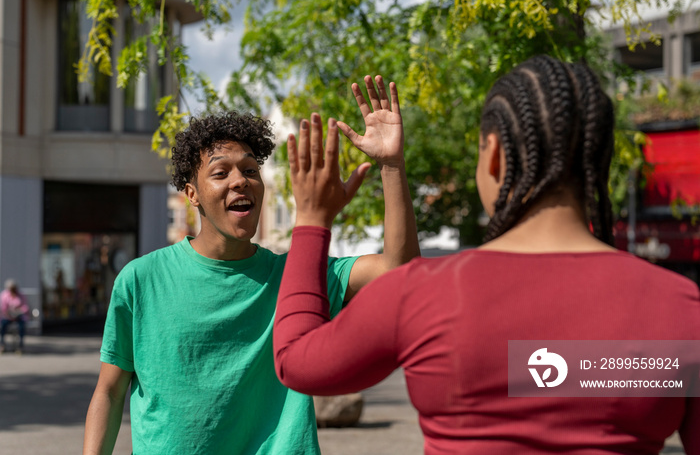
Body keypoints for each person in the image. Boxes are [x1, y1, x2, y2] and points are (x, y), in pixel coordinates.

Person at [274, 55, 700, 454]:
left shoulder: (423, 294)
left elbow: (297, 361)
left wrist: (312, 220)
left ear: (493, 155)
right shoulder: (682, 309)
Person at [83, 75, 420, 455]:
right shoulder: (141, 279)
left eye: (250, 170)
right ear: (191, 193)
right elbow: (110, 391)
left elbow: (401, 271)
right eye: (221, 172)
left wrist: (392, 167)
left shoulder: (299, 276)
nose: (241, 181)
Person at [0, 279, 30, 354]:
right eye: (11, 288)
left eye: (14, 288)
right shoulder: (4, 295)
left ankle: (20, 346)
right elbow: (3, 308)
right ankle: (2, 344)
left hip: (18, 316)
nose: (13, 290)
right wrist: (8, 313)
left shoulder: (21, 295)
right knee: (2, 326)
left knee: (22, 326)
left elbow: (25, 307)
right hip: (7, 317)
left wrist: (19, 311)